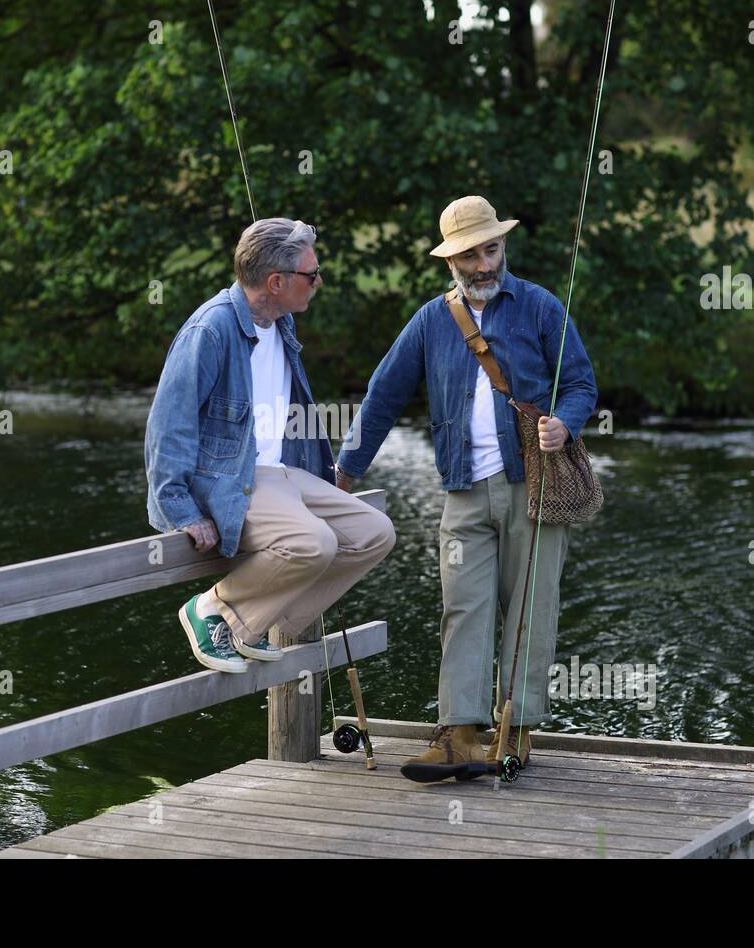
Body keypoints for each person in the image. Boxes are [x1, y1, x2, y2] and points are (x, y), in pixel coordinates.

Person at [335, 195, 597, 781]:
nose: (483, 265)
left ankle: (516, 733)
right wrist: (345, 474)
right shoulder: (432, 320)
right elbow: (382, 397)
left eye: (492, 249)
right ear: (449, 260)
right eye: (469, 256)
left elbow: (580, 382)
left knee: (531, 609)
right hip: (460, 489)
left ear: (503, 246)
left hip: (532, 482)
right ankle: (458, 735)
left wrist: (565, 423)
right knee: (463, 607)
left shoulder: (538, 307)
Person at [145, 218, 396, 673]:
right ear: (276, 281)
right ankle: (212, 610)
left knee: (374, 533)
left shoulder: (280, 324)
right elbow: (168, 425)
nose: (319, 282)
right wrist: (181, 511)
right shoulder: (211, 330)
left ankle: (251, 625)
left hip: (282, 474)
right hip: (233, 479)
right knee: (314, 541)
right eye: (311, 274)